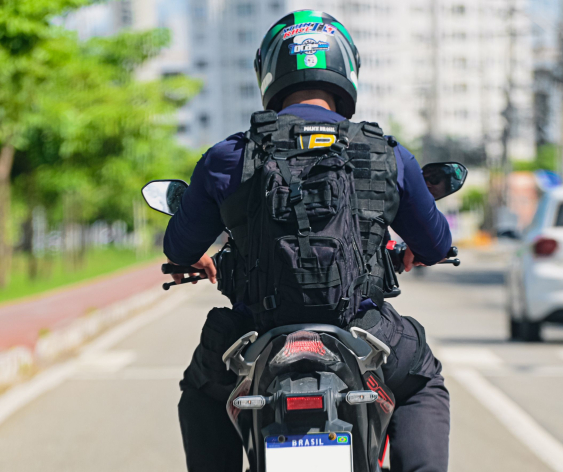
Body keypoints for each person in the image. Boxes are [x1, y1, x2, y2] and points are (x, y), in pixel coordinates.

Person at [164, 11, 452, 472]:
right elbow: (437, 243)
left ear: (270, 74)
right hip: (364, 332)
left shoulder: (228, 157)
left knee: (202, 389)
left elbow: (177, 249)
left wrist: (198, 255)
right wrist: (413, 246)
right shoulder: (387, 153)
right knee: (422, 381)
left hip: (251, 336)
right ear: (346, 72)